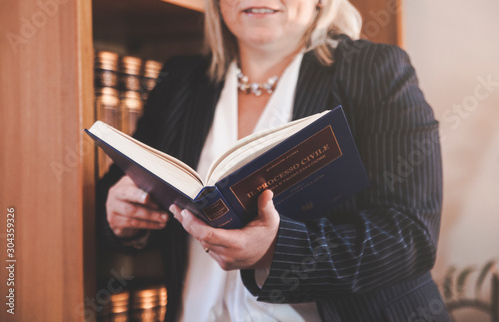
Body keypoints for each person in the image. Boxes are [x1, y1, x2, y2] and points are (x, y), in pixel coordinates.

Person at [97, 0, 451, 321]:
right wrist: (119, 215)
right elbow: (117, 191)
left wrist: (275, 251)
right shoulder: (180, 80)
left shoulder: (374, 70)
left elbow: (412, 237)